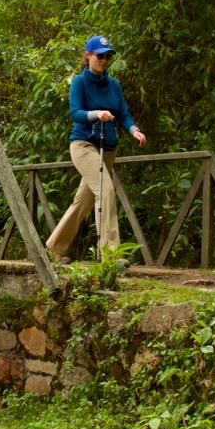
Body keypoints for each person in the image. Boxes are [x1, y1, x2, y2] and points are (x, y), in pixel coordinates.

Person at [45, 35, 146, 262]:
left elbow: (124, 115)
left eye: (108, 56)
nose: (104, 60)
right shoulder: (79, 82)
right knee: (106, 191)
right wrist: (97, 114)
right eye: (100, 55)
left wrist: (134, 130)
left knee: (83, 202)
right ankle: (110, 255)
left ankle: (54, 248)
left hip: (107, 149)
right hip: (83, 145)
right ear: (88, 56)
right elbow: (75, 113)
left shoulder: (114, 85)